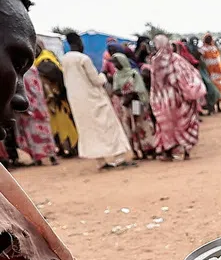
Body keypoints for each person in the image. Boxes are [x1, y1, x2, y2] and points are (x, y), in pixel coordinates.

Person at [59, 32, 132, 168]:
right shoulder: (83, 59)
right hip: (94, 99)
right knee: (109, 126)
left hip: (77, 101)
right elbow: (96, 80)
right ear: (78, 42)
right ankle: (119, 157)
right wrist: (103, 75)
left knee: (89, 130)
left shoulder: (64, 60)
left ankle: (101, 161)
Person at [149, 34, 205, 160]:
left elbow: (154, 84)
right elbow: (185, 78)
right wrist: (192, 92)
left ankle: (168, 152)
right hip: (179, 99)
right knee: (183, 124)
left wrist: (154, 99)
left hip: (162, 100)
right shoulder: (176, 59)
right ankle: (186, 151)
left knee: (166, 127)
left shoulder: (155, 61)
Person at [109, 53, 157, 160]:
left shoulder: (134, 74)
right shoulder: (117, 75)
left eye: (116, 62)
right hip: (125, 106)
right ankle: (137, 150)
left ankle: (150, 149)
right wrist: (125, 94)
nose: (115, 65)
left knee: (142, 125)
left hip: (136, 103)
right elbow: (115, 89)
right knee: (130, 128)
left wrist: (128, 95)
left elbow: (139, 89)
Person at [33, 45, 78, 157]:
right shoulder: (39, 61)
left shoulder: (45, 61)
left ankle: (73, 148)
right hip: (51, 100)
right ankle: (64, 148)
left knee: (65, 125)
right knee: (56, 126)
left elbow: (55, 75)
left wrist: (57, 92)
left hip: (58, 99)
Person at [12, 65, 57, 166]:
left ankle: (38, 158)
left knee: (31, 132)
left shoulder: (17, 69)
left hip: (28, 106)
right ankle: (51, 155)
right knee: (44, 132)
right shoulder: (32, 68)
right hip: (39, 105)